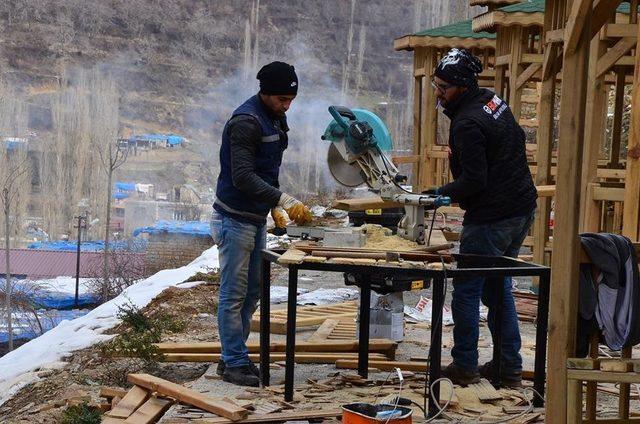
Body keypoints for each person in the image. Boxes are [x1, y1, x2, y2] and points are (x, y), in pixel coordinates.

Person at [426, 48, 537, 387]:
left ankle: (464, 367)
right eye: (436, 84)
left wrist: (439, 193)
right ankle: (508, 368)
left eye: (443, 87)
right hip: (521, 209)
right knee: (498, 286)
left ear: (461, 86)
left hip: (492, 217)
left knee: (467, 290)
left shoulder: (467, 123)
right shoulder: (491, 101)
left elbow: (475, 180)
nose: (438, 92)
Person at [210, 61, 312, 387]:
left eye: (291, 100)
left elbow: (267, 168)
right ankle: (234, 362)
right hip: (234, 219)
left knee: (253, 291)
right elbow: (242, 176)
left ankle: (233, 357)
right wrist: (283, 199)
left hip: (254, 219)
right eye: (282, 99)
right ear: (265, 93)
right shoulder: (246, 122)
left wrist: (272, 206)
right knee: (233, 294)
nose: (287, 106)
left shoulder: (274, 116)